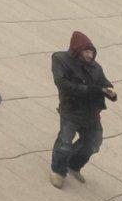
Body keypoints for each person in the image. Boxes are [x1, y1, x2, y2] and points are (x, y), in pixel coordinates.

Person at [48, 31, 115, 188]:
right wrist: (89, 89)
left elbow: (104, 82)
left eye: (91, 52)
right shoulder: (60, 59)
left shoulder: (96, 67)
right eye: (86, 51)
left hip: (91, 113)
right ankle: (58, 171)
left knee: (93, 144)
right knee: (64, 142)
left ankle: (73, 165)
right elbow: (62, 84)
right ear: (77, 50)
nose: (90, 55)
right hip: (71, 110)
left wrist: (109, 91)